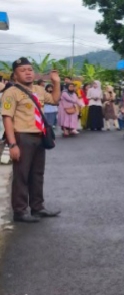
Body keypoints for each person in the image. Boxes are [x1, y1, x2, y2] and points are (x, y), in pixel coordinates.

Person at [1, 58, 62, 223]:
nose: (28, 72)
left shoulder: (38, 89)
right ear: (15, 74)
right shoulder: (11, 92)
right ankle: (20, 211)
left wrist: (56, 83)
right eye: (23, 70)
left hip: (39, 136)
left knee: (37, 174)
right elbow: (7, 118)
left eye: (30, 69)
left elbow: (55, 100)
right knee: (22, 175)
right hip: (22, 136)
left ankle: (38, 207)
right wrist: (12, 144)